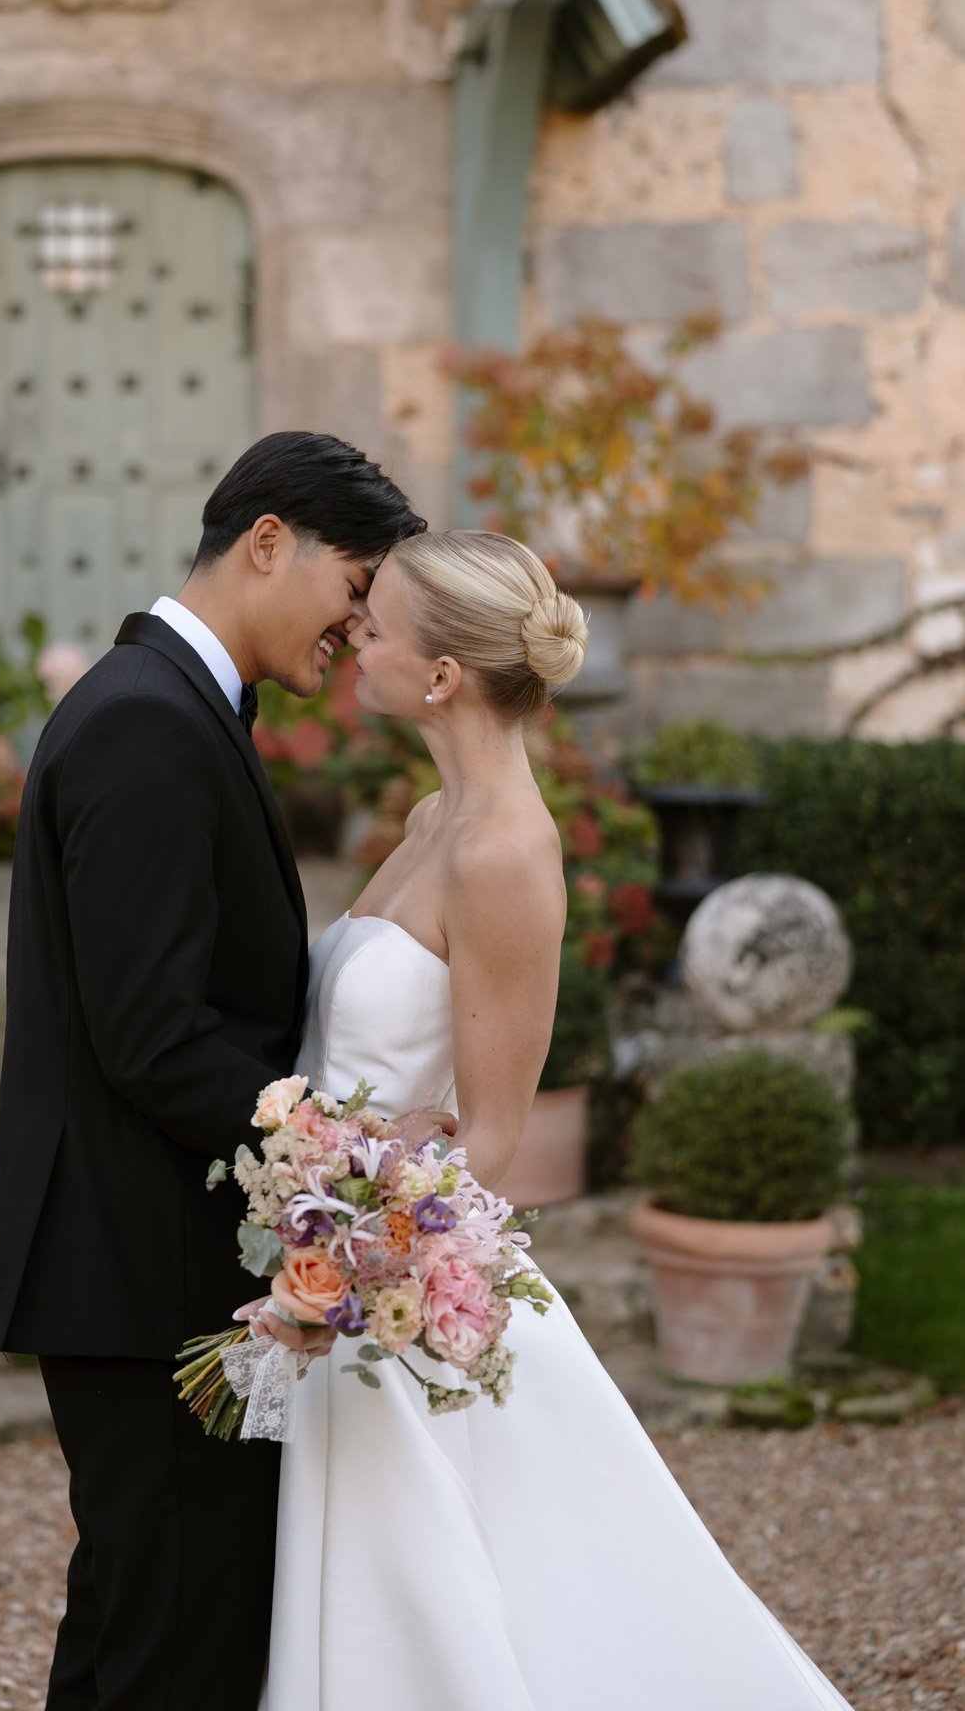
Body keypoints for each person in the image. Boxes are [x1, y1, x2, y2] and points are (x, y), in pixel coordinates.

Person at [261, 529, 855, 1711]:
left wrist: (348, 1273)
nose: (354, 636)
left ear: (439, 675)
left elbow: (490, 1137)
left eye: (375, 625)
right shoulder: (435, 817)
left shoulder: (502, 853)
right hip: (345, 1242)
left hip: (397, 1290)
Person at [0, 431, 442, 1711]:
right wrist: (334, 1168)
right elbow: (150, 1031)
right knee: (170, 1636)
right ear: (268, 539)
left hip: (161, 1259)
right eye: (354, 588)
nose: (357, 629)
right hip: (145, 1266)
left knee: (160, 1616)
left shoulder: (172, 708)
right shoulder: (142, 723)